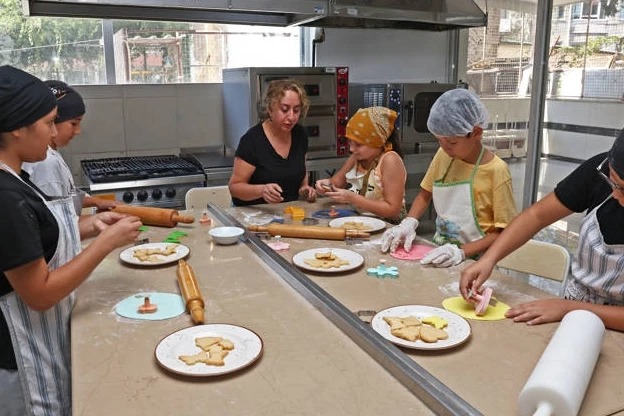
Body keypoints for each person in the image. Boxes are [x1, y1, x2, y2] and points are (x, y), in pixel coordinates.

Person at [0, 65, 142, 415]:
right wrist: (106, 243)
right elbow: (39, 293)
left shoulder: (16, 180)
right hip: (19, 357)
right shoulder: (6, 197)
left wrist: (94, 225)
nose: (54, 133)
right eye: (49, 122)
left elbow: (35, 243)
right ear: (17, 127)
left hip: (39, 341)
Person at [460, 129, 624, 331]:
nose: (615, 194)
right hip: (574, 308)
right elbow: (536, 216)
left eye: (623, 189)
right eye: (612, 181)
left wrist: (568, 309)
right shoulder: (599, 170)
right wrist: (489, 259)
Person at [381, 88, 516, 267]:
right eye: (439, 141)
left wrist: (460, 252)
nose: (445, 148)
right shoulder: (443, 156)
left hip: (478, 263)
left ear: (476, 132)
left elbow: (504, 233)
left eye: (452, 142)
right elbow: (424, 195)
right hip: (440, 252)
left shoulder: (496, 171)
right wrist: (409, 222)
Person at [22, 80, 117, 215]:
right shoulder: (45, 162)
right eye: (73, 123)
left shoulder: (49, 153)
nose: (78, 131)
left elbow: (64, 197)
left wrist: (96, 202)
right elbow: (59, 220)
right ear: (52, 121)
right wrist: (99, 221)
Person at [229, 78, 315, 206]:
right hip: (252, 212)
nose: (291, 117)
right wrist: (262, 190)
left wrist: (304, 188)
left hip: (286, 210)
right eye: (284, 110)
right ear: (270, 109)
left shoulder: (300, 134)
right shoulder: (252, 140)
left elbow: (300, 171)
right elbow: (235, 188)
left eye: (296, 110)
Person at [314, 106, 407, 223]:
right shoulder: (356, 158)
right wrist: (325, 185)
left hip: (390, 226)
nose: (351, 149)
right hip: (363, 221)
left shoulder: (390, 161)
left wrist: (353, 198)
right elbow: (336, 183)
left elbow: (393, 210)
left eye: (358, 144)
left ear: (377, 142)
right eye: (350, 142)